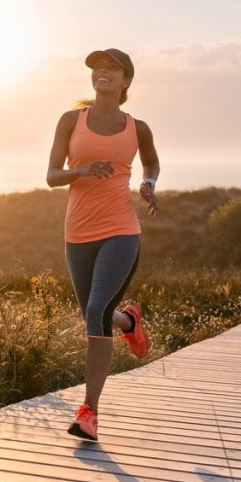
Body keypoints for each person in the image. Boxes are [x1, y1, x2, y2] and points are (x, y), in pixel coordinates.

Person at [46, 48, 161, 441]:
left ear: (126, 80)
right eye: (97, 67)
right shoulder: (71, 120)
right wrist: (81, 170)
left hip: (121, 230)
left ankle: (89, 413)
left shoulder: (137, 128)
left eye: (112, 68)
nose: (102, 72)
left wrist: (148, 183)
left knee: (96, 311)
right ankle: (129, 322)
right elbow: (52, 175)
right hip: (78, 233)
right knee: (94, 316)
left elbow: (151, 162)